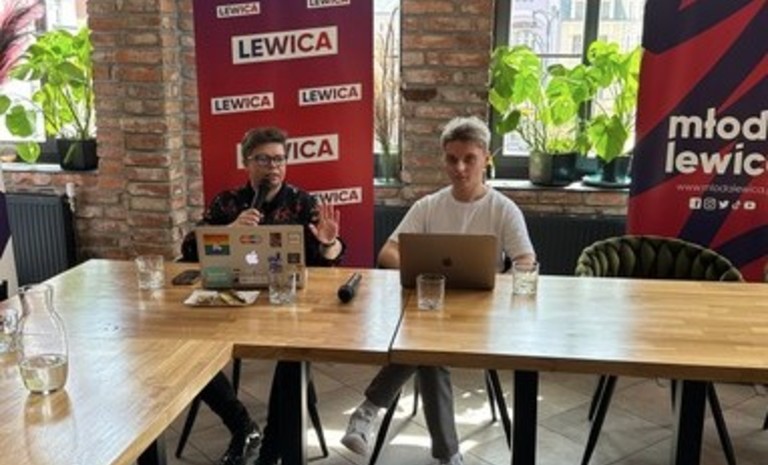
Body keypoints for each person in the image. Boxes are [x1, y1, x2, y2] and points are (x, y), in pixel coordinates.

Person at [340, 116, 536, 465]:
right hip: (434, 310)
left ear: (486, 158)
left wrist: (500, 286)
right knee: (428, 346)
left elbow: (525, 261)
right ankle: (448, 456)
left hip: (482, 318)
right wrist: (419, 272)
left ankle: (368, 410)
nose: (459, 168)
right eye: (452, 159)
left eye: (469, 159)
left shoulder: (503, 208)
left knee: (424, 346)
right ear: (443, 159)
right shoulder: (429, 205)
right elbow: (387, 252)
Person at [181, 126, 344, 465]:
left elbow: (329, 262)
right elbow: (189, 250)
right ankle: (241, 425)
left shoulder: (303, 202)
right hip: (232, 302)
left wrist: (329, 244)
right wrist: (229, 231)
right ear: (247, 162)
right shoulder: (227, 202)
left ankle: (270, 451)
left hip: (286, 308)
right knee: (187, 350)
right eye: (264, 160)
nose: (273, 168)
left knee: (292, 357)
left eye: (280, 160)